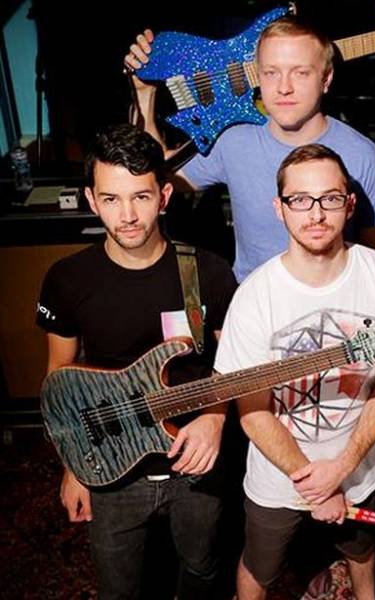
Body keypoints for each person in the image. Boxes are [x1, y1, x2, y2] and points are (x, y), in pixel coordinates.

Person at [36, 124, 238, 599]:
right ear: (91, 199)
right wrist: (73, 468)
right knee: (119, 586)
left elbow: (234, 362)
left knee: (202, 569)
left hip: (194, 461)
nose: (127, 216)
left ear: (164, 196)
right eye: (111, 199)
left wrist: (214, 417)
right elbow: (59, 384)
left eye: (141, 197)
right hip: (109, 464)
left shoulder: (207, 272)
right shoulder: (67, 279)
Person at [213, 143, 375, 600]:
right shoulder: (254, 296)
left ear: (350, 204)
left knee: (361, 551)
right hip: (277, 476)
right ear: (279, 208)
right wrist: (315, 483)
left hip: (359, 468)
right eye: (300, 200)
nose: (316, 213)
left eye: (329, 198)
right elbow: (252, 411)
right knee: (259, 567)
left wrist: (343, 467)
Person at [124, 14, 375, 282]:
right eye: (271, 73)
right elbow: (153, 176)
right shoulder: (234, 141)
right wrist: (145, 95)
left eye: (300, 73)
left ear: (326, 79)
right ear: (258, 76)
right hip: (253, 302)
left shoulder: (363, 155)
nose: (284, 88)